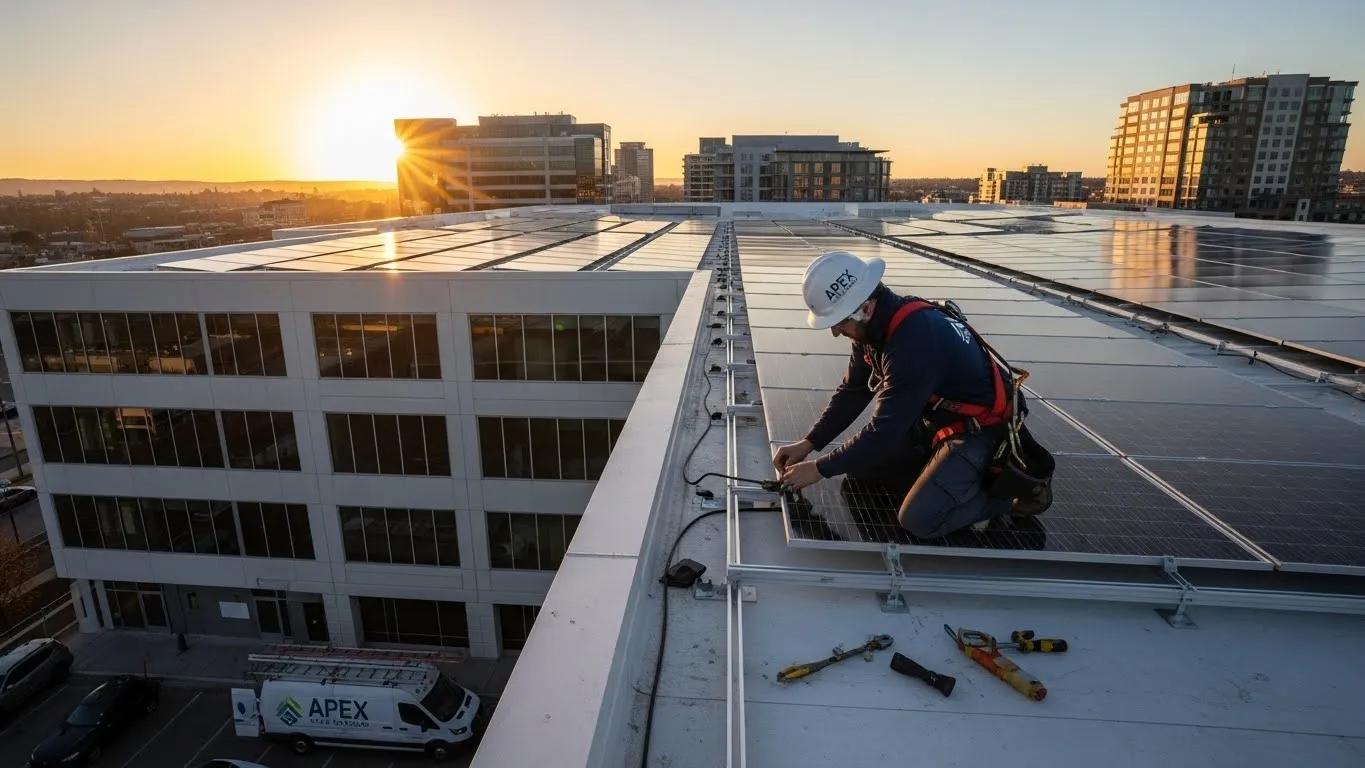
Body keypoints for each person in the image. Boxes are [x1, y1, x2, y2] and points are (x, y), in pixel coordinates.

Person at [772, 250, 1053, 539]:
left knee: (920, 519)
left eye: (839, 323)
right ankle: (943, 478)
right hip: (939, 423)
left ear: (865, 308)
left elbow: (884, 431)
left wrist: (819, 469)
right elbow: (853, 391)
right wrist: (810, 442)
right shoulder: (874, 326)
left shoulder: (913, 341)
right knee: (863, 467)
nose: (835, 332)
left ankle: (1009, 496)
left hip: (983, 433)